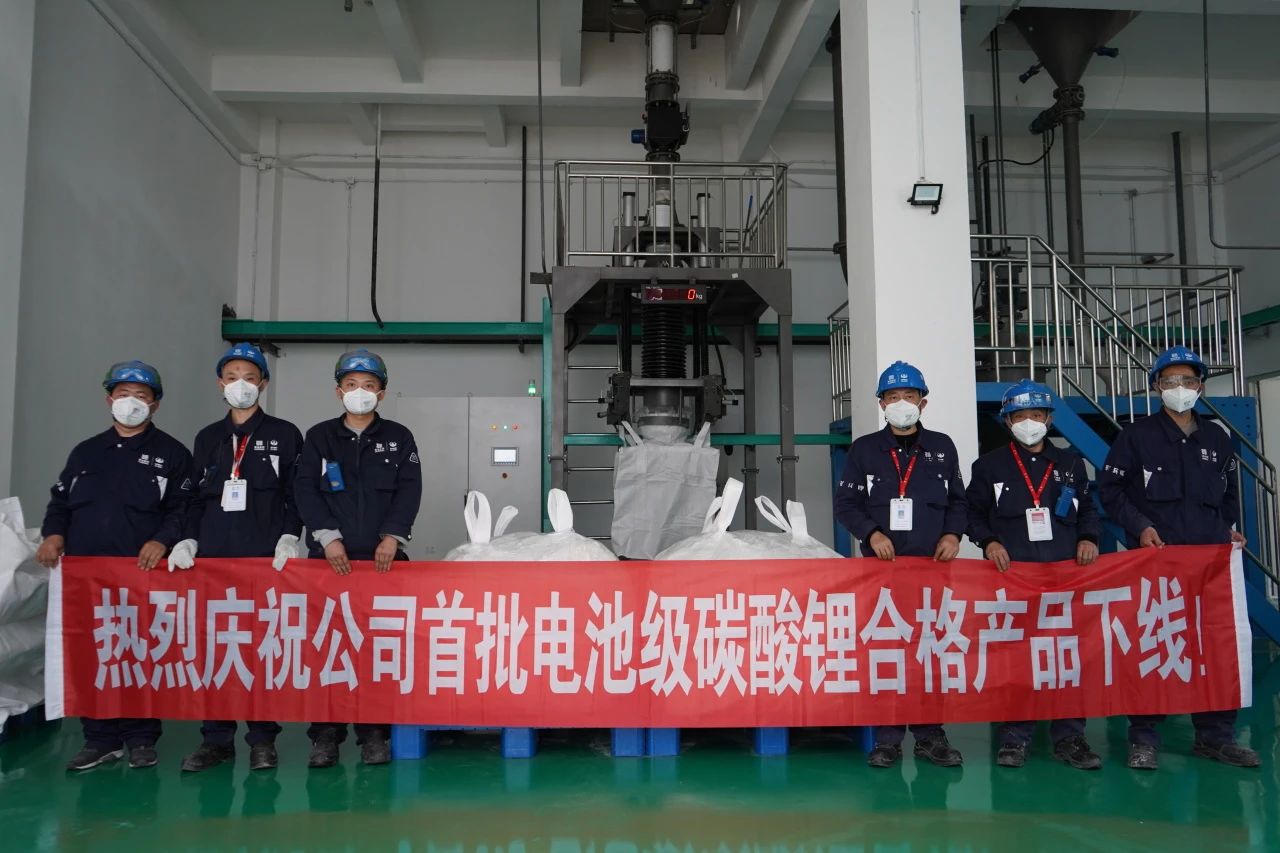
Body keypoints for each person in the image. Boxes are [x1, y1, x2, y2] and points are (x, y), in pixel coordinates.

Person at [1099, 345, 1260, 770]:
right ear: (1157, 386)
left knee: (1214, 645)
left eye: (1188, 380)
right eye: (1170, 381)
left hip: (1209, 566)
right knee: (1155, 644)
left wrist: (1225, 529)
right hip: (1157, 564)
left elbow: (1228, 496)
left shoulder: (1217, 439)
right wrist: (1141, 527)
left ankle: (1215, 736)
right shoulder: (1135, 437)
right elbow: (1111, 493)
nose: (1180, 387)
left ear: (1200, 386)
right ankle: (1144, 738)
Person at [35, 361, 194, 771]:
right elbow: (60, 503)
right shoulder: (86, 452)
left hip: (142, 573)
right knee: (95, 653)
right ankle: (99, 738)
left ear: (155, 405)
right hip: (86, 576)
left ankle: (141, 737)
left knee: (140, 652)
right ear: (109, 400)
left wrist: (162, 540)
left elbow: (183, 509)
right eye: (123, 395)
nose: (131, 403)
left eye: (141, 396)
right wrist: (53, 535)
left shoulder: (172, 454)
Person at [175, 343, 305, 773]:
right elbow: (194, 498)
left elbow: (296, 494)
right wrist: (188, 540)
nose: (240, 385)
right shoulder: (207, 438)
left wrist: (290, 536)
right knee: (217, 650)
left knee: (259, 650)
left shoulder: (285, 434)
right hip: (213, 561)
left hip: (264, 559)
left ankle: (262, 739)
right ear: (220, 384)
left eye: (249, 377)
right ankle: (216, 740)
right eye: (232, 377)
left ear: (263, 383)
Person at [834, 360, 966, 769]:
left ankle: (930, 736)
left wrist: (952, 535)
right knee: (888, 652)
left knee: (930, 651)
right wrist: (871, 533)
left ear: (923, 402)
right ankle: (887, 738)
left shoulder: (942, 446)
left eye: (909, 396)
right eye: (893, 397)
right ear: (881, 404)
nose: (901, 403)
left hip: (932, 570)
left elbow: (959, 501)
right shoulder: (864, 450)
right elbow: (846, 504)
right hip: (883, 573)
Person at [965, 379, 1102, 770]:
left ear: (1049, 419)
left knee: (1066, 657)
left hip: (1064, 578)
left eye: (1036, 415)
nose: (1029, 422)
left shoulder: (1071, 464)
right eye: (1020, 416)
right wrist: (989, 541)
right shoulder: (989, 466)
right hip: (1013, 580)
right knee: (1016, 658)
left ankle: (1070, 736)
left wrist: (1089, 537)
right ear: (1008, 421)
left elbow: (1088, 510)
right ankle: (1014, 736)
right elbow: (972, 514)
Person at [294, 349, 422, 767]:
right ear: (338, 391)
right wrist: (328, 538)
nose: (360, 392)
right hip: (329, 562)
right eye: (351, 385)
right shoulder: (319, 437)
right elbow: (305, 490)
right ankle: (325, 735)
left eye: (369, 385)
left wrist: (393, 537)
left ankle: (374, 733)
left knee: (377, 650)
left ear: (381, 394)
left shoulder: (399, 437)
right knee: (327, 648)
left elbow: (409, 489)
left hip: (382, 563)